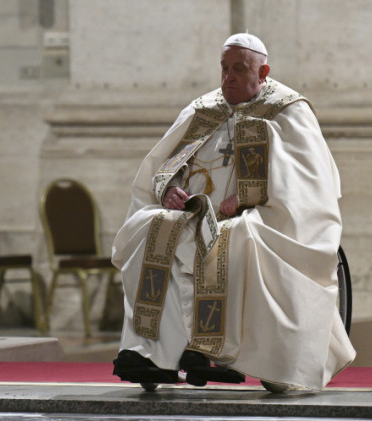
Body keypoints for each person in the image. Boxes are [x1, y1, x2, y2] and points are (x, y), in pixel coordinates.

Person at [111, 33, 355, 392]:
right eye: (224, 69)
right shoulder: (204, 108)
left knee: (231, 238)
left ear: (263, 71)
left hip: (259, 217)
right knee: (151, 227)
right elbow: (164, 164)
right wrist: (170, 189)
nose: (227, 78)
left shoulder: (288, 110)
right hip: (191, 215)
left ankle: (210, 351)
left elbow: (308, 183)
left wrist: (247, 197)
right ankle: (153, 355)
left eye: (239, 70)